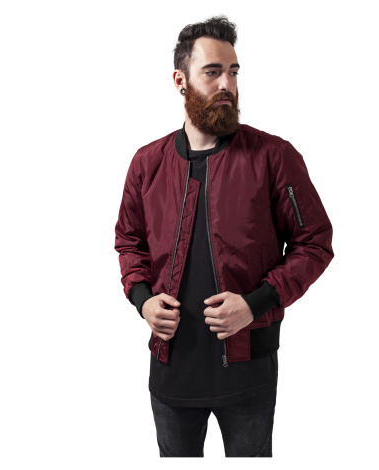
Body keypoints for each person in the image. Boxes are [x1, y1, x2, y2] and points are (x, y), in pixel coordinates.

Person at [114, 15, 334, 457]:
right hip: (171, 369)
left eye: (233, 72)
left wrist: (254, 304)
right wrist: (143, 300)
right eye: (212, 72)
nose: (227, 84)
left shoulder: (273, 157)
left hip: (248, 370)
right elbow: (129, 241)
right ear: (180, 80)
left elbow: (314, 243)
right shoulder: (147, 163)